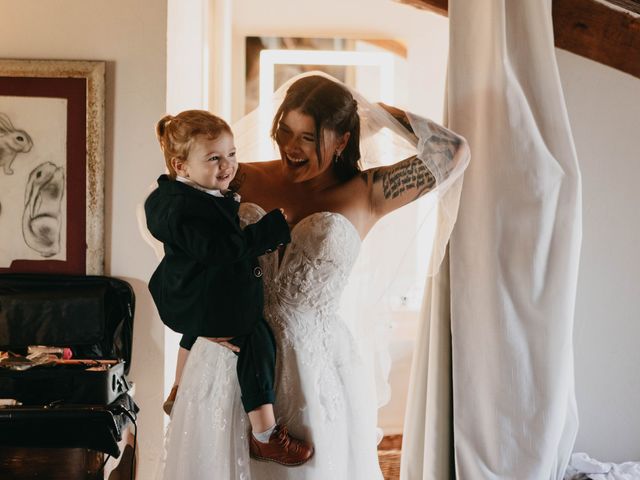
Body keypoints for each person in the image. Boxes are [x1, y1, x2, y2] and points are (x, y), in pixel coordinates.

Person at [158, 74, 470, 479]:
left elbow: (452, 153)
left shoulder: (370, 192)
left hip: (312, 370)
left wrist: (375, 112)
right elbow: (177, 225)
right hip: (225, 358)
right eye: (285, 131)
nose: (292, 147)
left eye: (310, 137)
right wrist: (192, 314)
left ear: (342, 139)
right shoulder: (239, 177)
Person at [145, 110, 314, 467]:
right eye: (214, 158)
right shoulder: (187, 207)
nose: (228, 165)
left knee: (198, 326)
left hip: (188, 292)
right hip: (199, 294)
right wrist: (267, 231)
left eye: (232, 154)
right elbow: (221, 250)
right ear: (181, 165)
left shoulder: (184, 193)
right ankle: (265, 434)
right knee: (253, 336)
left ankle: (178, 389)